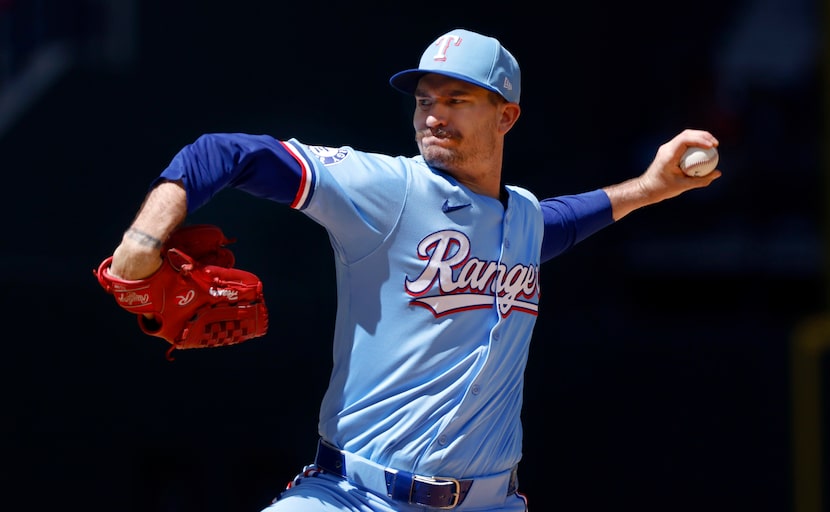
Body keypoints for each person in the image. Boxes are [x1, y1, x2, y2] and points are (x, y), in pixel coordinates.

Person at [106, 28, 720, 511]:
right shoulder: (387, 189)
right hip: (352, 496)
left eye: (457, 100)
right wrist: (141, 243)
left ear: (506, 117)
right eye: (425, 100)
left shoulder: (525, 219)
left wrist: (649, 187)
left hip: (490, 502)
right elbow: (225, 153)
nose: (433, 114)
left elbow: (560, 222)